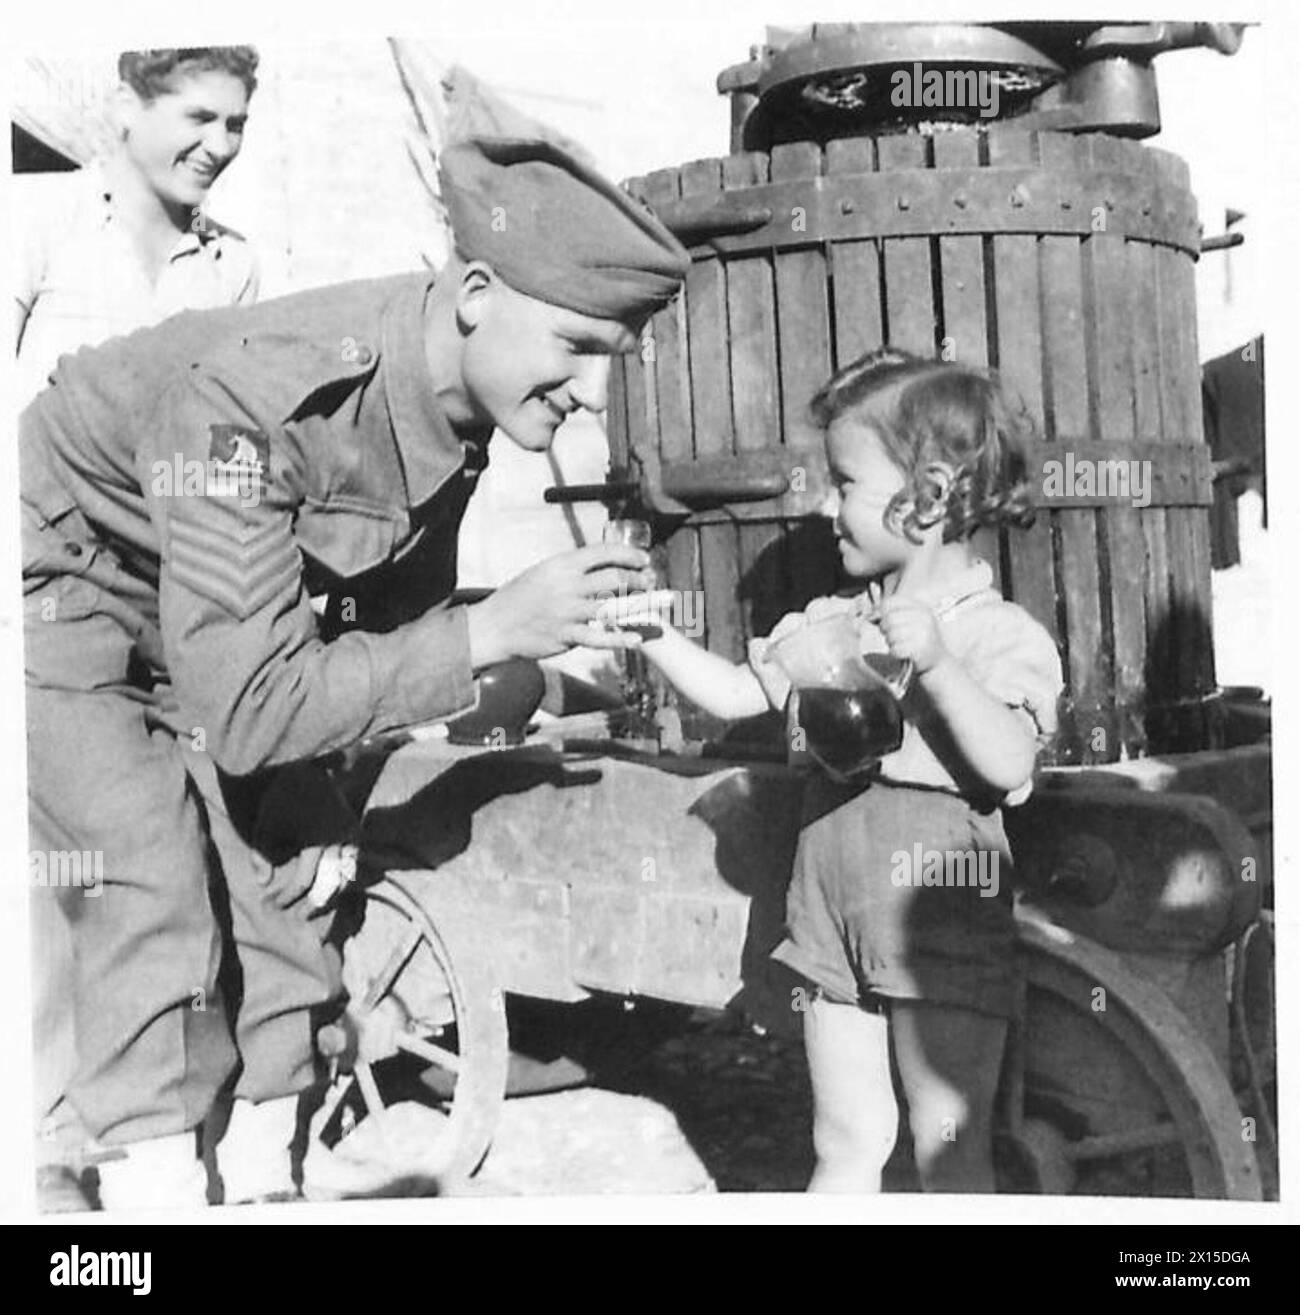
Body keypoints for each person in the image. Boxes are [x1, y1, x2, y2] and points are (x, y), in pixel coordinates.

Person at [21, 128, 689, 1209]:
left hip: (227, 621)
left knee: (292, 875)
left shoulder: (458, 405)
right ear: (475, 290)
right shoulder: (266, 399)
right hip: (75, 584)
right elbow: (246, 711)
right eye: (573, 346)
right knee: (149, 885)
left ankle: (262, 1183)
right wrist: (491, 633)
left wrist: (329, 787)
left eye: (606, 359)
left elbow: (368, 617)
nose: (587, 391)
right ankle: (144, 1203)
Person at [611, 349, 1063, 1192]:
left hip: (940, 919)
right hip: (830, 918)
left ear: (926, 497)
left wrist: (935, 665)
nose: (825, 504)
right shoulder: (836, 623)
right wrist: (652, 637)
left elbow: (1007, 765)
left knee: (948, 1144)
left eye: (844, 482)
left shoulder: (995, 635)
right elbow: (742, 690)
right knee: (846, 1141)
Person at [15, 46, 260, 407]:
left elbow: (228, 424)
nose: (221, 147)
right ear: (127, 106)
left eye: (234, 125)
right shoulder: (33, 216)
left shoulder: (232, 261)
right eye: (199, 118)